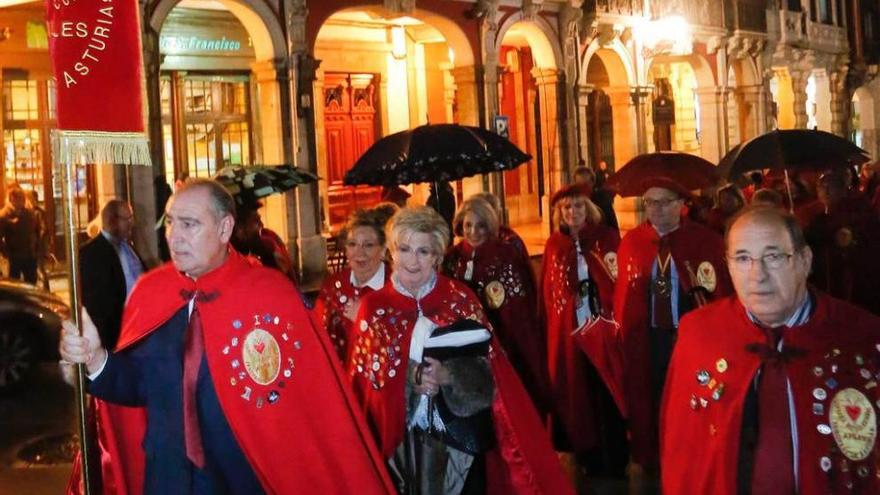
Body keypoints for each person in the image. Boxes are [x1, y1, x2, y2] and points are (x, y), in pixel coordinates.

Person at [59, 178, 394, 494]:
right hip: (167, 478)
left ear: (224, 228)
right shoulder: (151, 293)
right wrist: (95, 359)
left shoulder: (270, 296)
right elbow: (140, 385)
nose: (175, 237)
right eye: (171, 222)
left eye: (190, 224)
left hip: (242, 480)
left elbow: (312, 408)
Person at [347, 206, 573, 494]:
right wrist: (410, 377)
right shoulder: (374, 309)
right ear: (391, 252)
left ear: (438, 257)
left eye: (424, 251)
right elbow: (364, 388)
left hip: (459, 446)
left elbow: (491, 377)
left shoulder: (459, 299)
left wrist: (448, 375)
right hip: (399, 448)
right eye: (404, 249)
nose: (412, 261)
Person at [661, 206, 880, 495]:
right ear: (727, 265)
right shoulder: (698, 335)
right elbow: (680, 449)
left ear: (804, 260)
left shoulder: (861, 336)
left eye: (773, 256)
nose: (757, 275)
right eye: (742, 258)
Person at [614, 179, 733, 480]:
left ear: (682, 204)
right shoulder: (633, 242)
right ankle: (654, 454)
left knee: (689, 398)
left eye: (665, 202)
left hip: (689, 339)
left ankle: (690, 452)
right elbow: (624, 298)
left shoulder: (705, 241)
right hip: (648, 337)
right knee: (650, 396)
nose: (657, 209)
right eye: (651, 203)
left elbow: (718, 293)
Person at [540, 183, 626, 487]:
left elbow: (617, 281)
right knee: (578, 395)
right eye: (566, 208)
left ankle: (614, 457)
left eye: (577, 206)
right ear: (559, 213)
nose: (572, 213)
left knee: (606, 395)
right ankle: (587, 457)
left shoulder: (605, 238)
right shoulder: (554, 246)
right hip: (570, 333)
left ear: (587, 209)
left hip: (601, 329)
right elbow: (549, 296)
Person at [444, 197, 547, 413]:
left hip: (502, 342)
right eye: (468, 225)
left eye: (481, 225)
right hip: (463, 346)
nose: (474, 231)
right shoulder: (451, 258)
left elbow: (519, 310)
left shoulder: (505, 255)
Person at [314, 207, 391, 362]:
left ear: (383, 250)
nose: (359, 252)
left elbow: (403, 343)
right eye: (352, 244)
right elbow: (319, 339)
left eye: (368, 245)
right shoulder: (332, 286)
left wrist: (365, 319)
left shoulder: (396, 287)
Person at [805, 170, 880, 314]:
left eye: (830, 187)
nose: (825, 191)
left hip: (855, 277)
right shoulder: (818, 217)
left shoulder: (859, 211)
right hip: (828, 277)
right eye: (821, 187)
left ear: (842, 190)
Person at [80, 200, 145, 351]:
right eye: (127, 219)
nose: (132, 223)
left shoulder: (127, 246)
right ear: (112, 220)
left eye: (131, 218)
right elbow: (96, 301)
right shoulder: (92, 253)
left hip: (138, 325)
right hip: (116, 334)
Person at [0, 185, 41, 283]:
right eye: (19, 199)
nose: (21, 202)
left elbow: (36, 230)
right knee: (14, 281)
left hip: (29, 254)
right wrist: (6, 252)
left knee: (31, 280)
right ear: (12, 199)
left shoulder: (28, 213)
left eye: (22, 199)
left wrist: (36, 247)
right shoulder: (5, 215)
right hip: (14, 255)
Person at [573, 165, 619, 231]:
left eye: (585, 184)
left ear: (592, 182)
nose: (583, 188)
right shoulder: (573, 202)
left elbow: (612, 224)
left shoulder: (602, 200)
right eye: (579, 185)